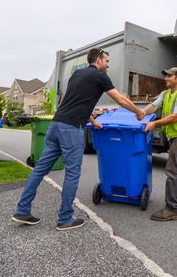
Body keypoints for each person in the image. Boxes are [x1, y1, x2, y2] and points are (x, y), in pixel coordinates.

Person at [12, 48, 144, 230]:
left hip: (56, 125)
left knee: (40, 169)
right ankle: (65, 219)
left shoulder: (77, 74)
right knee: (72, 173)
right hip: (71, 129)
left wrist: (93, 121)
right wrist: (138, 112)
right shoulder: (100, 76)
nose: (108, 64)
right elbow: (120, 99)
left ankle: (22, 210)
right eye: (106, 60)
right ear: (98, 60)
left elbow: (77, 101)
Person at [142, 67, 177, 221]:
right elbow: (154, 106)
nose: (166, 78)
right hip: (175, 136)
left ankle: (172, 209)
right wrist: (142, 113)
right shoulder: (166, 94)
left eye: (169, 76)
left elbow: (176, 117)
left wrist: (154, 124)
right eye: (165, 76)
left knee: (173, 170)